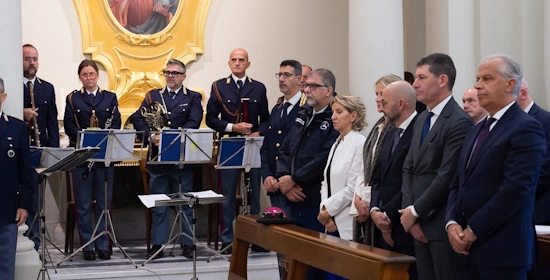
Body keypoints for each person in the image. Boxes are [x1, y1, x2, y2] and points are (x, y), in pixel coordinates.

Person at [446, 55, 545, 280]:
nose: (477, 85)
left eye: (487, 79)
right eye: (477, 78)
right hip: (466, 249)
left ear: (510, 84)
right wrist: (452, 223)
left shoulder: (525, 128)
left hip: (502, 251)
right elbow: (458, 183)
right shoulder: (476, 130)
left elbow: (516, 189)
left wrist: (473, 230)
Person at [400, 53, 472, 280]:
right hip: (417, 223)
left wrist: (415, 211)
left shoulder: (458, 121)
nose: (415, 84)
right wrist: (409, 213)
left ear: (442, 80)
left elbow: (447, 175)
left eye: (422, 77)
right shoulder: (422, 118)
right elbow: (409, 167)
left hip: (440, 224)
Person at [132, 58, 203, 259]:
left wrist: (170, 137)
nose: (169, 76)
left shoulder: (193, 97)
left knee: (185, 202)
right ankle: (159, 243)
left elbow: (194, 122)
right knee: (159, 202)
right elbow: (138, 118)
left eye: (174, 73)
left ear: (183, 76)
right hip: (158, 159)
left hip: (181, 158)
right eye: (167, 72)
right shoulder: (153, 96)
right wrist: (151, 136)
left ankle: (187, 242)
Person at [276, 68, 339, 280]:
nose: (307, 90)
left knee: (316, 259)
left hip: (314, 198)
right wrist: (284, 179)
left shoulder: (335, 118)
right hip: (292, 198)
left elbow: (323, 158)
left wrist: (294, 179)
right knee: (295, 259)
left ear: (328, 90)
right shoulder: (303, 114)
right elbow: (285, 149)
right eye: (306, 86)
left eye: (313, 86)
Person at [205, 48, 269, 254]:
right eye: (234, 60)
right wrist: (233, 128)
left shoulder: (258, 88)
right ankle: (227, 239)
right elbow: (211, 119)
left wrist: (257, 132)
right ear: (229, 63)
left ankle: (256, 238)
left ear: (248, 64)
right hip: (230, 144)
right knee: (228, 195)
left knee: (254, 196)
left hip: (253, 146)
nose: (238, 63)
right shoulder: (219, 87)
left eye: (242, 60)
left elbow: (267, 119)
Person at [63, 59, 122, 261]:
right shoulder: (72, 99)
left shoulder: (110, 98)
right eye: (85, 74)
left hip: (104, 158)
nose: (89, 77)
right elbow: (70, 124)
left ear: (98, 75)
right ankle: (88, 245)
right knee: (84, 204)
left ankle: (103, 244)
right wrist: (86, 138)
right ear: (80, 77)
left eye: (92, 74)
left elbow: (116, 122)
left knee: (104, 203)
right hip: (81, 159)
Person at [369, 81, 418, 280]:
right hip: (382, 222)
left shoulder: (419, 130)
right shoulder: (389, 132)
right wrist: (374, 209)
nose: (381, 105)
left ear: (401, 104)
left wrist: (387, 215)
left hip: (404, 222)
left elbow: (413, 179)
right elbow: (377, 175)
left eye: (385, 101)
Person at [351, 74, 401, 244]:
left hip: (384, 205)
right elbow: (365, 167)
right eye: (376, 94)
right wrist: (358, 198)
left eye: (382, 94)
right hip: (368, 200)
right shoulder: (378, 127)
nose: (377, 99)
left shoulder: (396, 128)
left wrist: (371, 203)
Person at [22, 43, 59, 251]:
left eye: (34, 59)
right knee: (22, 199)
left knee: (38, 201)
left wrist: (53, 153)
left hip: (40, 152)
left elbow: (52, 123)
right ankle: (21, 243)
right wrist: (23, 112)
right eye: (27, 59)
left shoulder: (47, 87)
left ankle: (35, 246)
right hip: (19, 151)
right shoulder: (10, 84)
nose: (32, 63)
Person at [318, 93, 367, 241]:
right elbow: (326, 181)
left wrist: (328, 210)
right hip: (330, 220)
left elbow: (353, 187)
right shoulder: (337, 143)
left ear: (353, 116)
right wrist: (324, 210)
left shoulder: (360, 143)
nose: (333, 117)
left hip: (347, 222)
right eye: (333, 112)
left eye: (339, 112)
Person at [261, 60, 305, 218]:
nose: (281, 79)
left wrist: (289, 180)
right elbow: (266, 147)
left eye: (287, 75)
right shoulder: (277, 109)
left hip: (295, 187)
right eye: (279, 75)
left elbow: (305, 151)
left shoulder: (306, 109)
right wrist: (267, 176)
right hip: (274, 185)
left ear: (299, 79)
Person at [0, 77, 33, 280]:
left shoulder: (16, 128)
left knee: (5, 264)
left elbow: (25, 170)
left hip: (6, 206)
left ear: (3, 97)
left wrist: (24, 204)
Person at [515, 78, 550, 226]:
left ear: (522, 93)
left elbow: (544, 168)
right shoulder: (509, 122)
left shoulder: (545, 120)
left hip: (537, 205)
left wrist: (516, 195)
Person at [109, 0, 179, 34]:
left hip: (157, 34)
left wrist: (166, 14)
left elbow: (175, 29)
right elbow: (113, 17)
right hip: (130, 35)